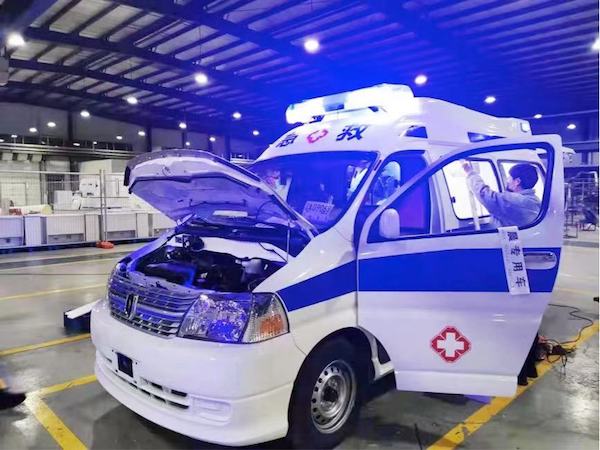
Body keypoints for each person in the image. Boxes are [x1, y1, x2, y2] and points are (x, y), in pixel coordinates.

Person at [462, 162, 541, 228]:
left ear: (517, 181)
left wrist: (470, 173)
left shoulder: (516, 201)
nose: (507, 180)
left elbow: (484, 194)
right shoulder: (534, 200)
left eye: (509, 178)